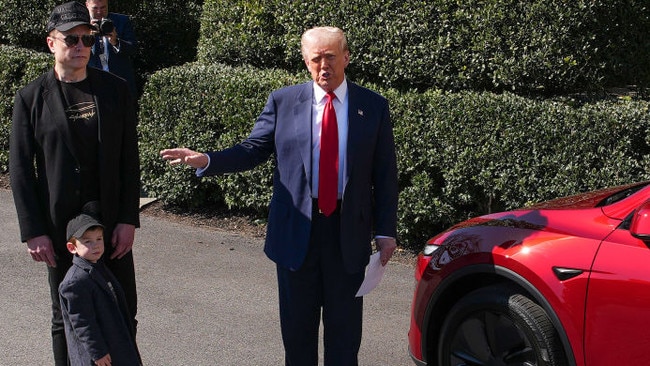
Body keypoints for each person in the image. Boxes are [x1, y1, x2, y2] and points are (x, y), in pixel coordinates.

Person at [160, 26, 398, 365]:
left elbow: (385, 174)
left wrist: (385, 231)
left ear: (346, 57)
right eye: (315, 59)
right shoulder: (284, 102)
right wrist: (208, 159)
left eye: (330, 57)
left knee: (344, 341)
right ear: (305, 61)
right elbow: (252, 149)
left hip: (347, 234)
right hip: (296, 234)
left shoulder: (372, 106)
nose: (323, 66)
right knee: (298, 340)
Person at [9, 2, 140, 365]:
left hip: (110, 222)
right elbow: (20, 170)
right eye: (71, 39)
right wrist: (33, 231)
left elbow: (130, 161)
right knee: (64, 314)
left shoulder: (115, 90)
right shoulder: (31, 98)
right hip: (59, 226)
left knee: (122, 309)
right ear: (52, 43)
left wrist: (129, 219)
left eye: (86, 38)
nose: (80, 46)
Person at [59, 205, 142, 366]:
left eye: (99, 239)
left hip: (114, 346)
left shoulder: (99, 266)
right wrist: (98, 352)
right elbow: (83, 323)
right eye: (87, 241)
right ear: (72, 247)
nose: (96, 245)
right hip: (97, 356)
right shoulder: (74, 282)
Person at [86, 0, 138, 97]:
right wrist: (89, 39)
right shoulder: (81, 25)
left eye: (103, 8)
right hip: (93, 84)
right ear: (87, 5)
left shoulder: (122, 21)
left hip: (120, 82)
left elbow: (133, 49)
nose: (99, 12)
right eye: (95, 8)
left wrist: (116, 42)